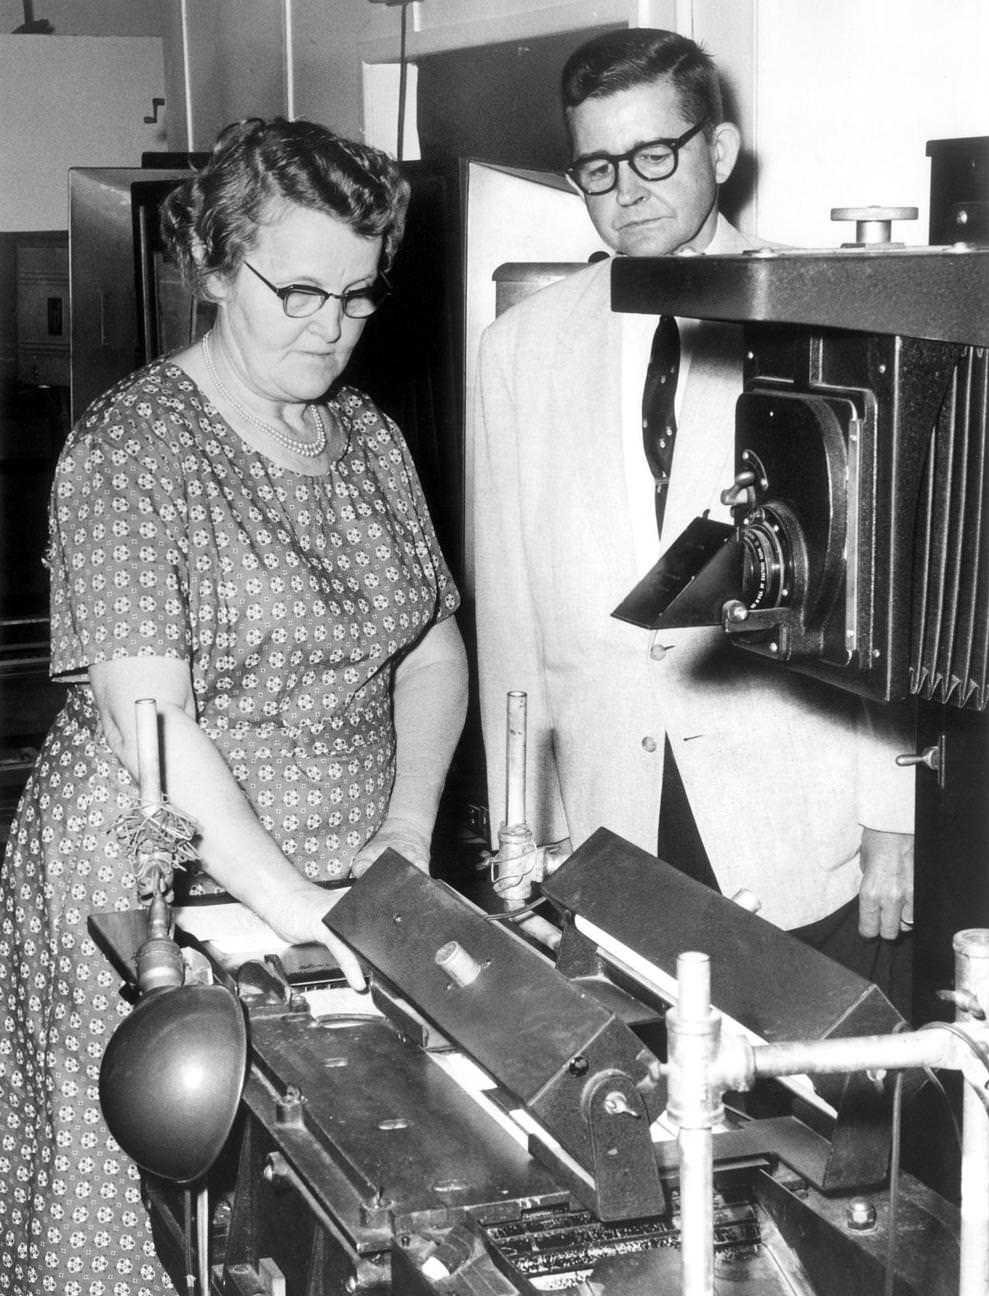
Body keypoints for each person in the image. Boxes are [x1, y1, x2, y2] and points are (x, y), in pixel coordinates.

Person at [0, 118, 467, 1295]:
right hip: (157, 883)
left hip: (341, 878)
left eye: (359, 297)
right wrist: (298, 903)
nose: (332, 327)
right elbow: (151, 726)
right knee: (154, 1223)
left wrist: (404, 835)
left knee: (317, 1215)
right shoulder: (131, 450)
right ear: (213, 266)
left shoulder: (367, 437)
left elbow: (432, 648)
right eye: (299, 290)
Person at [472, 30, 914, 995]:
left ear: (717, 151)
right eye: (596, 165)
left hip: (798, 830)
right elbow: (509, 613)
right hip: (609, 823)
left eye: (653, 156)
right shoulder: (517, 350)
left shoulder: (826, 313)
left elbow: (888, 584)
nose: (624, 189)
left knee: (816, 1115)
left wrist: (895, 815)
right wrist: (526, 828)